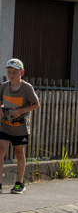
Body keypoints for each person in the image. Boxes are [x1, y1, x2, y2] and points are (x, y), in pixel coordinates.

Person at [0, 58, 39, 194]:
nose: (11, 75)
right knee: (1, 149)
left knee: (19, 153)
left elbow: (36, 104)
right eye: (9, 72)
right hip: (5, 125)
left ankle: (20, 182)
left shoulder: (26, 88)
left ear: (21, 72)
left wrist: (21, 111)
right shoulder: (4, 86)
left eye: (15, 72)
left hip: (20, 127)